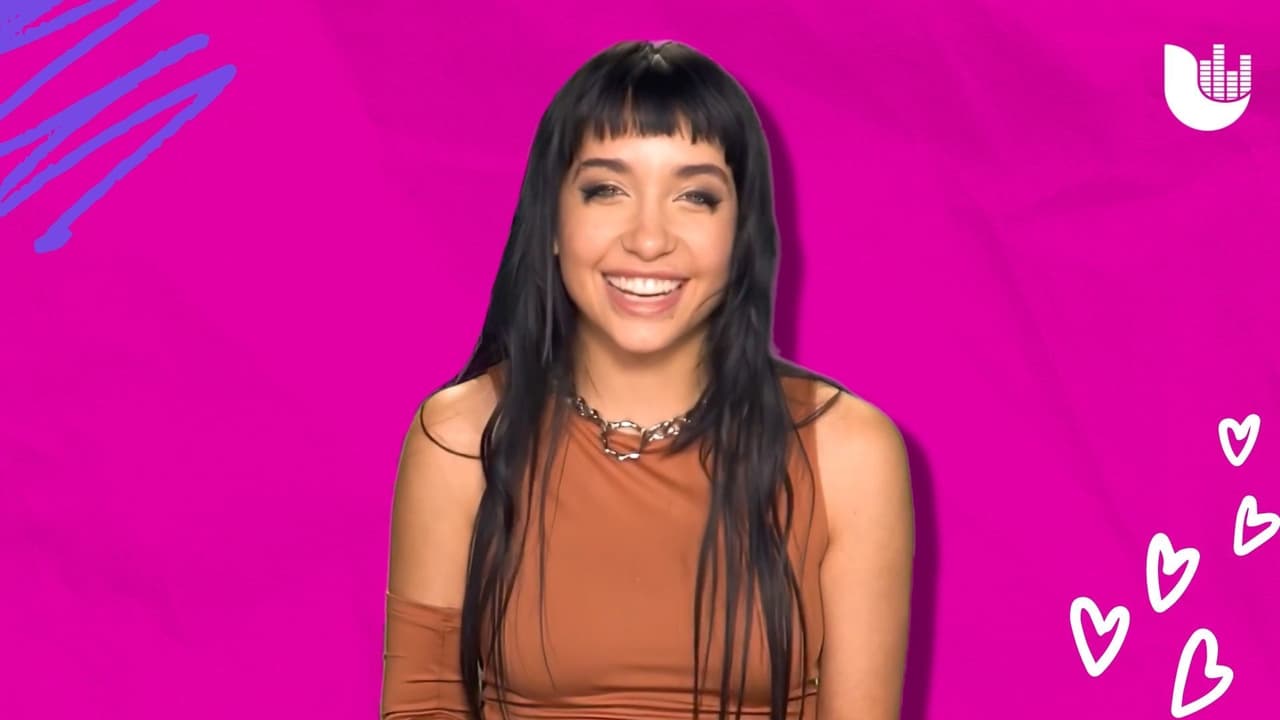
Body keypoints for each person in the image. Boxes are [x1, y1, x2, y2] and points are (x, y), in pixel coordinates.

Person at [381, 40, 914, 720]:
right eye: (606, 190)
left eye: (695, 196)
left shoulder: (847, 452)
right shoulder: (462, 436)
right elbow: (423, 701)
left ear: (742, 234)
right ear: (552, 221)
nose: (649, 238)